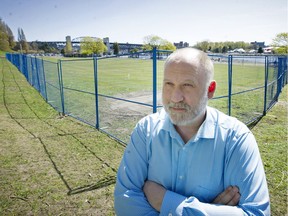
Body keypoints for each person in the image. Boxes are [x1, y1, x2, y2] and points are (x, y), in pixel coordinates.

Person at [114, 48, 270, 215]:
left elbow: (256, 213)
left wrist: (165, 201)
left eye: (187, 85)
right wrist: (208, 210)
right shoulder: (145, 131)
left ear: (210, 89)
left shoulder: (236, 139)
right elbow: (125, 203)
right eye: (169, 84)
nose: (175, 97)